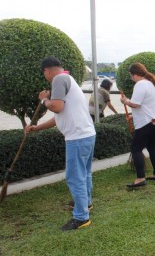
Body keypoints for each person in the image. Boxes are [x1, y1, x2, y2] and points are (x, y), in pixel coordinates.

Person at [25, 57, 96, 231]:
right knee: (84, 173)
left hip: (77, 138)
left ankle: (81, 217)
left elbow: (56, 107)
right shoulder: (68, 79)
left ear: (47, 71)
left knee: (74, 177)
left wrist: (44, 100)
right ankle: (85, 203)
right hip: (87, 134)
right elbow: (59, 117)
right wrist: (37, 128)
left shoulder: (58, 79)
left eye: (45, 75)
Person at [120, 62, 155, 187]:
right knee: (152, 148)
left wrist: (125, 101)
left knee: (136, 149)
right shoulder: (154, 84)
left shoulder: (140, 84)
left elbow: (136, 104)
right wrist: (133, 115)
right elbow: (148, 105)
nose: (131, 79)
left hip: (147, 123)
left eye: (131, 76)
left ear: (135, 74)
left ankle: (140, 179)